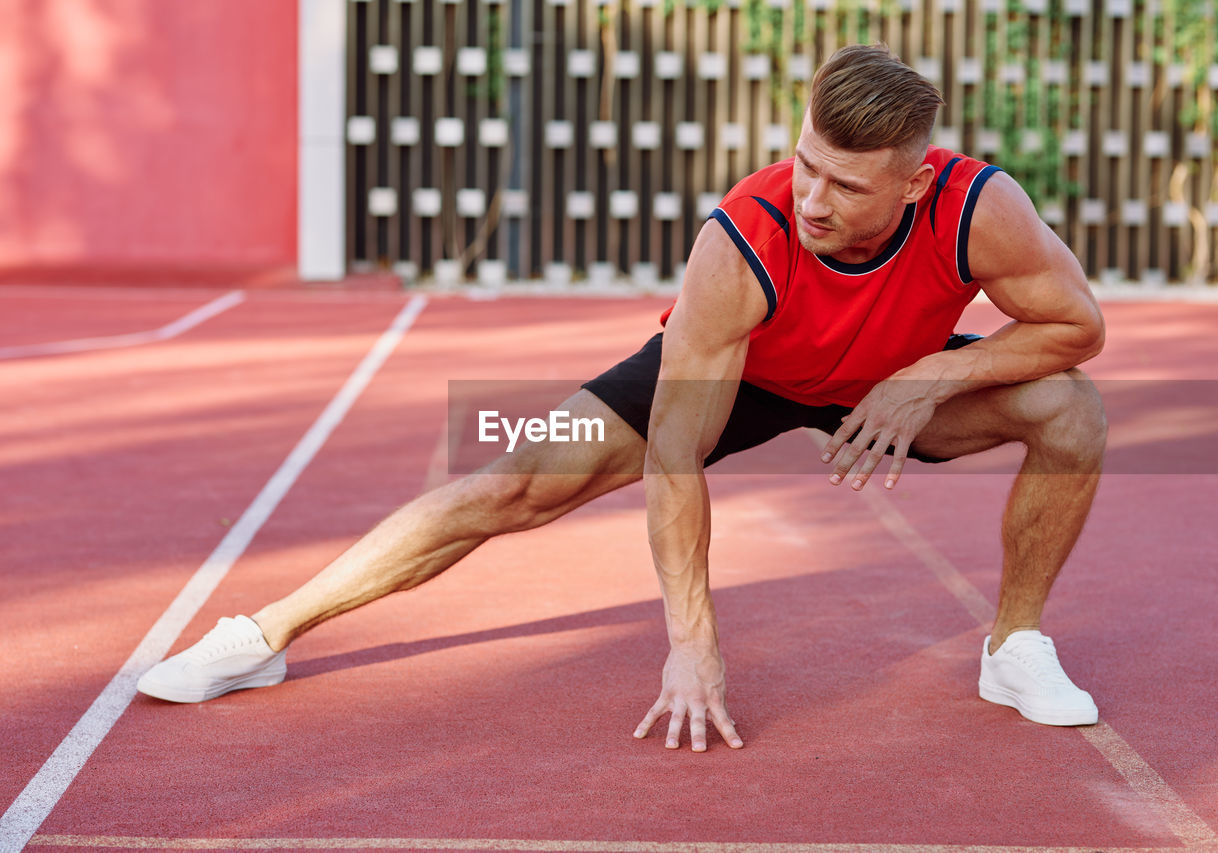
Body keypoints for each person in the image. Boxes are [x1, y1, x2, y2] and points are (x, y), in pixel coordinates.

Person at [138, 44, 1107, 750]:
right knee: (508, 484)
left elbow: (1076, 329)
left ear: (913, 181)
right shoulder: (740, 242)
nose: (813, 199)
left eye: (846, 187)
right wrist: (693, 646)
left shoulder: (978, 207)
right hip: (743, 374)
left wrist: (931, 372)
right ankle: (263, 634)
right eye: (805, 164)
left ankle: (1011, 645)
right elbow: (675, 459)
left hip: (891, 377)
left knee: (1071, 409)